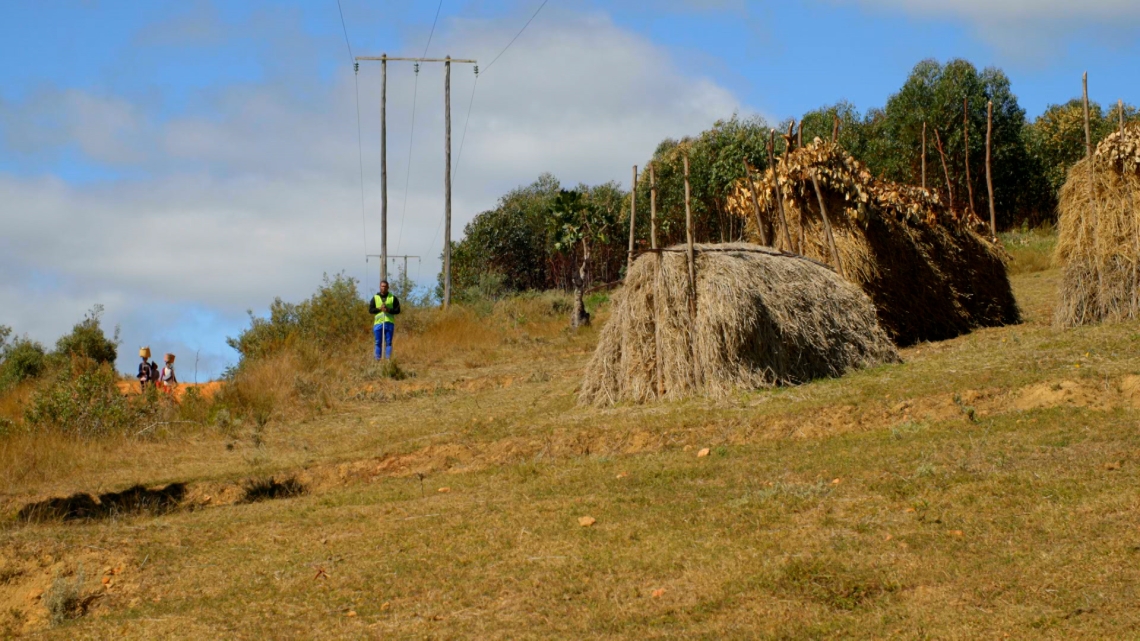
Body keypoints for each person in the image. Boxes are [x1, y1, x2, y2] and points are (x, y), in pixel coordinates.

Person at [369, 280, 401, 360]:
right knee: (378, 342)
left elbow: (398, 310)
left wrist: (389, 310)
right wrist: (379, 309)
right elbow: (370, 310)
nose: (384, 288)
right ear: (380, 287)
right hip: (378, 323)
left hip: (389, 323)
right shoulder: (375, 298)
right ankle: (377, 360)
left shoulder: (393, 298)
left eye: (385, 286)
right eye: (382, 286)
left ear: (388, 287)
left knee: (389, 342)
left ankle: (388, 360)